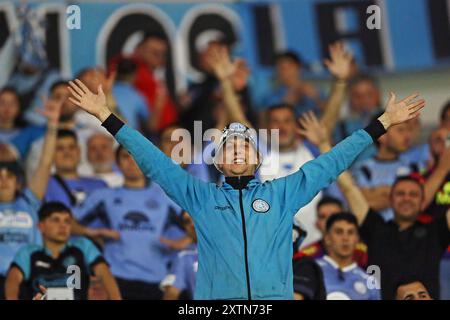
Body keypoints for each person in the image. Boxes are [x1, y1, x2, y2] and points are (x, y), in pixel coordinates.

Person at [67, 77, 424, 300]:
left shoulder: (282, 194)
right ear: (218, 163)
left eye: (245, 145)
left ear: (257, 159)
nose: (237, 149)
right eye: (228, 146)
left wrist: (383, 123)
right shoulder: (200, 196)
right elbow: (154, 161)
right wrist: (106, 116)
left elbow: (333, 161)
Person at [300, 111, 450, 299]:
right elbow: (349, 188)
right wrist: (323, 144)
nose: (406, 198)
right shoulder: (376, 228)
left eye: (413, 195)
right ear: (391, 200)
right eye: (400, 194)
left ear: (422, 202)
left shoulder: (435, 231)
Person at [73, 145, 186, 300]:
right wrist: (92, 232)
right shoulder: (103, 196)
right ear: (117, 162)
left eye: (136, 157)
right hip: (116, 278)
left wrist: (183, 241)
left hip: (156, 279)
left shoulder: (165, 198)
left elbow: (200, 223)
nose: (131, 162)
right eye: (126, 157)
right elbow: (68, 222)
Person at [0, 96, 61, 299]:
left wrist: (52, 124)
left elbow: (45, 162)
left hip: (30, 281)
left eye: (9, 176)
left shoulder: (29, 200)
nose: (3, 180)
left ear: (19, 182)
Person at [4, 202, 122, 300]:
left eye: (67, 221)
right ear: (41, 226)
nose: (63, 226)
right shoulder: (28, 252)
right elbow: (13, 280)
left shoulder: (83, 246)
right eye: (56, 220)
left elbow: (104, 273)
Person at [352, 112, 415, 221]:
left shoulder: (414, 166)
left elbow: (421, 202)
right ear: (382, 136)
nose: (407, 136)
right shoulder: (364, 170)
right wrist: (400, 196)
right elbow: (362, 206)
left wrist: (382, 192)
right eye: (400, 130)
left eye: (408, 130)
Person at [316, 213, 380, 300]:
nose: (345, 238)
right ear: (327, 238)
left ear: (357, 239)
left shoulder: (369, 282)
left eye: (350, 232)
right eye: (339, 232)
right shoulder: (312, 270)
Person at [296, 196, 368, 268]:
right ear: (317, 224)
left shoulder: (363, 253)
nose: (328, 221)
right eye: (323, 216)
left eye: (335, 216)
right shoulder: (305, 256)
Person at [44, 129, 107, 210]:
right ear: (51, 155)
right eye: (60, 149)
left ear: (79, 152)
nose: (67, 153)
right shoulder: (44, 186)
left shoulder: (100, 185)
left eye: (71, 147)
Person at [133, 33, 178, 130]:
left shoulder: (160, 74)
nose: (159, 57)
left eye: (162, 53)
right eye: (154, 52)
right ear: (139, 49)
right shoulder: (132, 73)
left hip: (170, 130)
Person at [260, 51, 325, 117]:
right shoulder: (271, 97)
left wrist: (316, 99)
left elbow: (329, 113)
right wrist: (291, 97)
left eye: (288, 67)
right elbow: (265, 119)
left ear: (299, 67)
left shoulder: (316, 91)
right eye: (280, 68)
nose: (284, 72)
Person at [0, 87, 45, 160]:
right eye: (2, 102)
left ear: (19, 107)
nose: (7, 107)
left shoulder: (29, 133)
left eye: (12, 103)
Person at [161, 211, 198, 300]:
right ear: (185, 229)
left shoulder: (232, 247)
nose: (192, 224)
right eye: (187, 222)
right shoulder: (184, 257)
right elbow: (171, 292)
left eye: (196, 218)